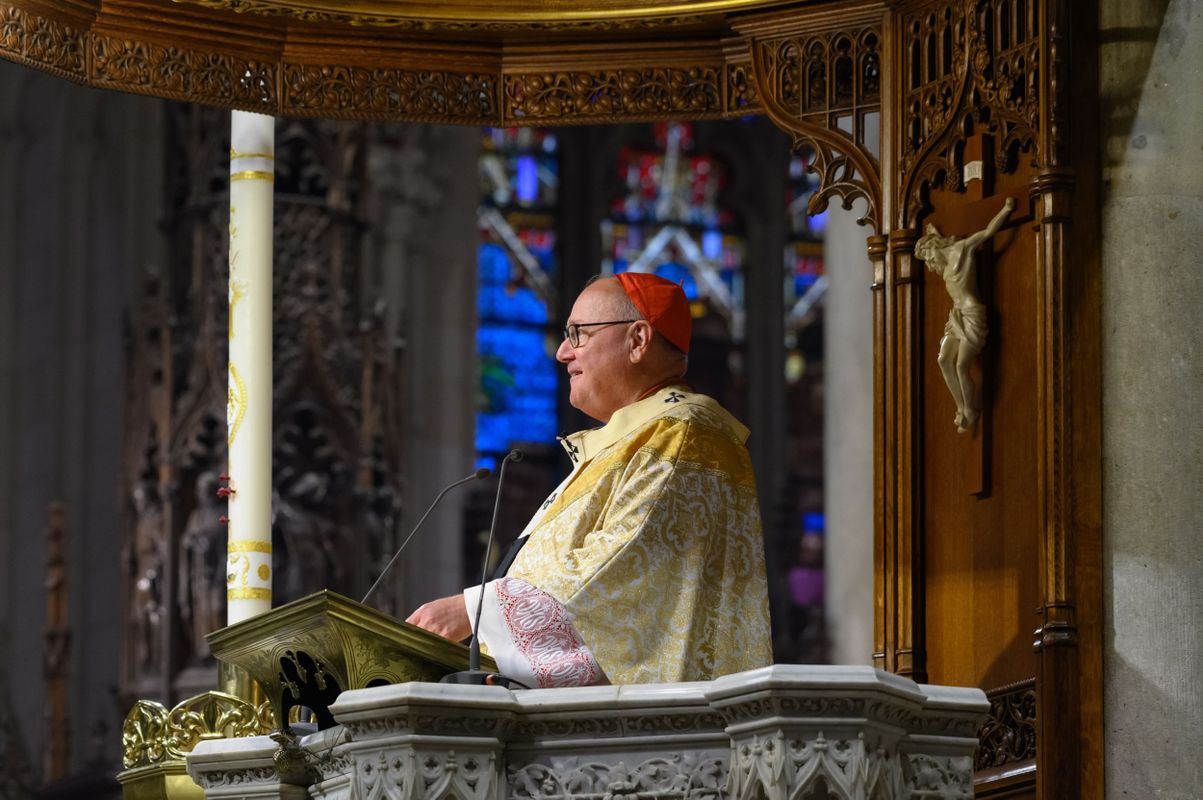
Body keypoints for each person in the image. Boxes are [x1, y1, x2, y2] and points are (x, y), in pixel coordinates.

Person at [407, 272, 771, 687]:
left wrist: (475, 611)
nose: (563, 352)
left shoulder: (683, 434)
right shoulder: (627, 441)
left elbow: (619, 568)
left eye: (578, 334)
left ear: (637, 340)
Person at [914, 197, 1015, 432]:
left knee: (961, 366)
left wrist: (1007, 209)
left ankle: (970, 409)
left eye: (928, 257)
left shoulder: (963, 250)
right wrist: (934, 233)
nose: (930, 264)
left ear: (934, 247)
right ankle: (962, 408)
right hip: (956, 315)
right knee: (943, 360)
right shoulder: (942, 254)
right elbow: (939, 246)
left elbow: (988, 232)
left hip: (972, 314)